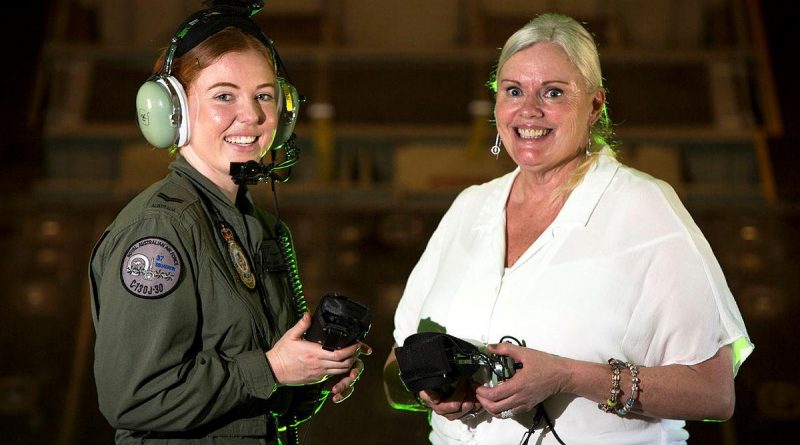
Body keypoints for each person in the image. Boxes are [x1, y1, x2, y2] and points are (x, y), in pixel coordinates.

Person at [383, 12, 753, 445]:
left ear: (594, 105)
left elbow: (713, 393)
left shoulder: (642, 207)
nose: (529, 110)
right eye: (513, 91)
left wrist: (568, 376)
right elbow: (395, 371)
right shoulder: (471, 207)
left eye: (553, 92)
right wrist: (432, 390)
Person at [89, 2, 370, 443]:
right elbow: (135, 396)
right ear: (173, 112)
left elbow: (256, 402)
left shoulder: (259, 226)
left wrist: (313, 373)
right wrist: (272, 368)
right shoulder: (161, 232)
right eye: (224, 96)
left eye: (264, 95)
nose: (253, 116)